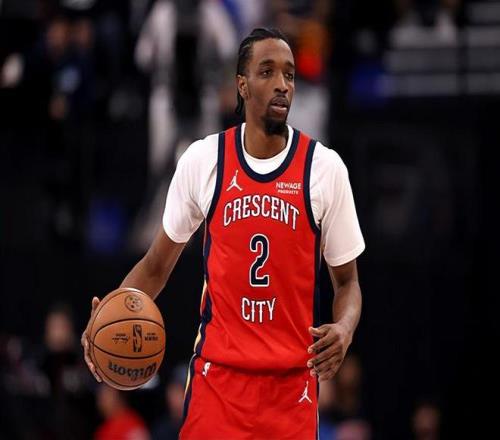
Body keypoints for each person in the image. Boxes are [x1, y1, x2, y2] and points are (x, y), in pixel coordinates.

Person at [82, 27, 365, 439]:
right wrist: (108, 316)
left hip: (291, 391)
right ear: (242, 85)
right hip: (218, 385)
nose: (282, 84)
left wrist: (345, 328)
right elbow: (156, 266)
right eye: (267, 71)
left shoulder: (325, 169)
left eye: (289, 74)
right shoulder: (203, 160)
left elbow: (348, 283)